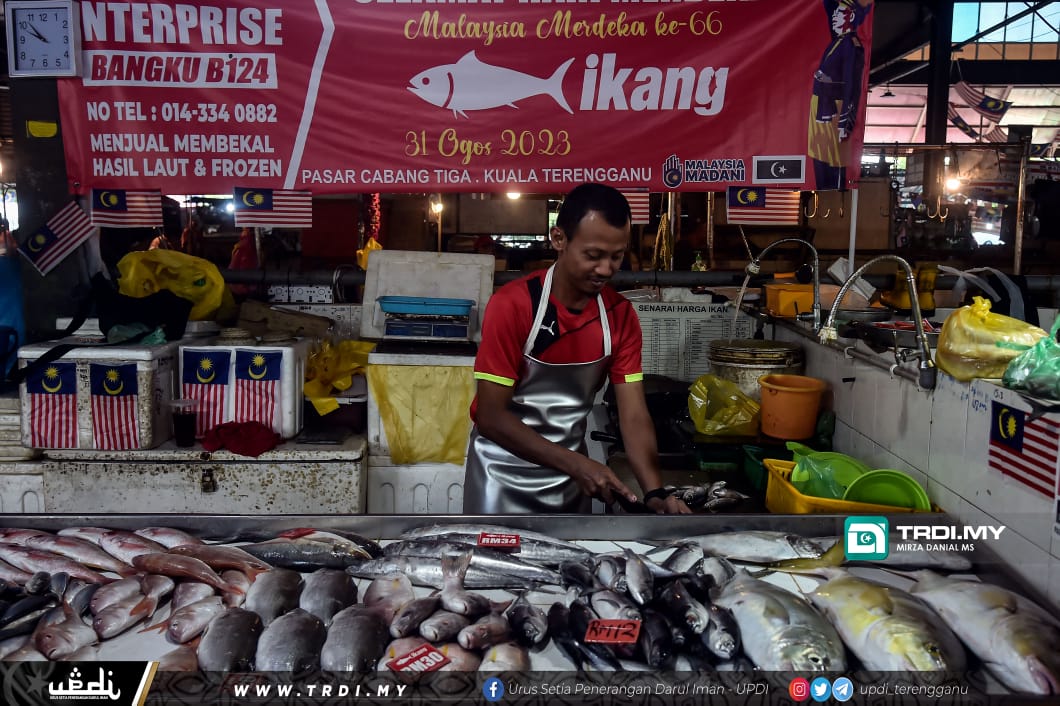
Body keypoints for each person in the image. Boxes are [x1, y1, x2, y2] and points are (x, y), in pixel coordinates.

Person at [463, 183, 691, 514]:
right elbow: (490, 416)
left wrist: (655, 491)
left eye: (616, 256)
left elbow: (633, 413)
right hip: (499, 476)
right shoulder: (513, 305)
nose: (606, 269)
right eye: (593, 255)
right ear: (559, 240)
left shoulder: (619, 317)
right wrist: (576, 464)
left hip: (571, 480)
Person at [807, 0, 873, 190]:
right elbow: (828, 7)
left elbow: (852, 86)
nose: (834, 16)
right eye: (835, 13)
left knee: (835, 164)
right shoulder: (837, 41)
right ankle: (820, 196)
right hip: (822, 108)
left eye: (839, 13)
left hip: (835, 111)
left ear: (851, 17)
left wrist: (846, 121)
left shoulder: (852, 45)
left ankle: (833, 202)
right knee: (820, 159)